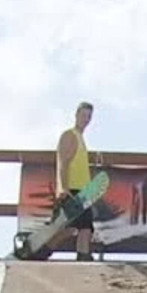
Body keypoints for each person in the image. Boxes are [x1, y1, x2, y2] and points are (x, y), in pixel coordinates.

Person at [55, 101, 95, 260]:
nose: (86, 119)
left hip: (83, 190)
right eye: (83, 115)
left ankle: (82, 256)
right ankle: (82, 256)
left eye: (89, 116)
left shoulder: (81, 138)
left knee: (81, 227)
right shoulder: (70, 135)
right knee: (77, 228)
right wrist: (63, 187)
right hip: (73, 189)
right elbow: (63, 162)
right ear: (76, 115)